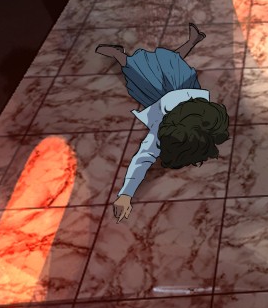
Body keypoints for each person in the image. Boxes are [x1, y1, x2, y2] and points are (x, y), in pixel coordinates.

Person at [96, 23, 230, 224]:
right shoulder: (177, 121)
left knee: (167, 62)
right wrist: (125, 194)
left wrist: (126, 195)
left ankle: (192, 40)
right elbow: (143, 157)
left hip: (175, 83)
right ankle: (118, 54)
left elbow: (145, 156)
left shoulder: (203, 117)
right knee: (138, 68)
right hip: (164, 86)